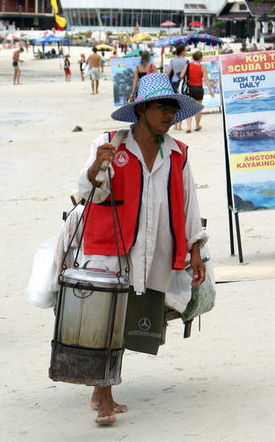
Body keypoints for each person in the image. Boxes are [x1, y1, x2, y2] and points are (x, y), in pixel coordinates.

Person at [76, 73, 207, 425]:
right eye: (164, 108)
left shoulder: (177, 152)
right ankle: (105, 398)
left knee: (128, 318)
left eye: (173, 109)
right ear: (143, 110)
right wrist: (94, 169)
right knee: (107, 318)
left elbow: (188, 203)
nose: (170, 115)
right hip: (110, 247)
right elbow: (86, 195)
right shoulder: (109, 144)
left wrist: (196, 249)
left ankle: (98, 387)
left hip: (155, 250)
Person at [180, 51, 215, 132]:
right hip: (198, 88)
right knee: (198, 108)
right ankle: (197, 125)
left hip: (189, 87)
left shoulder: (188, 65)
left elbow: (181, 75)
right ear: (201, 58)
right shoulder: (202, 67)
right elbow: (206, 80)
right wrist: (211, 91)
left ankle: (189, 127)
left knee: (189, 107)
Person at [166, 45, 189, 131]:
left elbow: (168, 72)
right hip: (182, 84)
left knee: (174, 104)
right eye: (185, 50)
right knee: (181, 104)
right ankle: (179, 125)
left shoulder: (172, 60)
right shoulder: (186, 61)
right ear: (182, 52)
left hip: (173, 82)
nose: (186, 52)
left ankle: (175, 125)